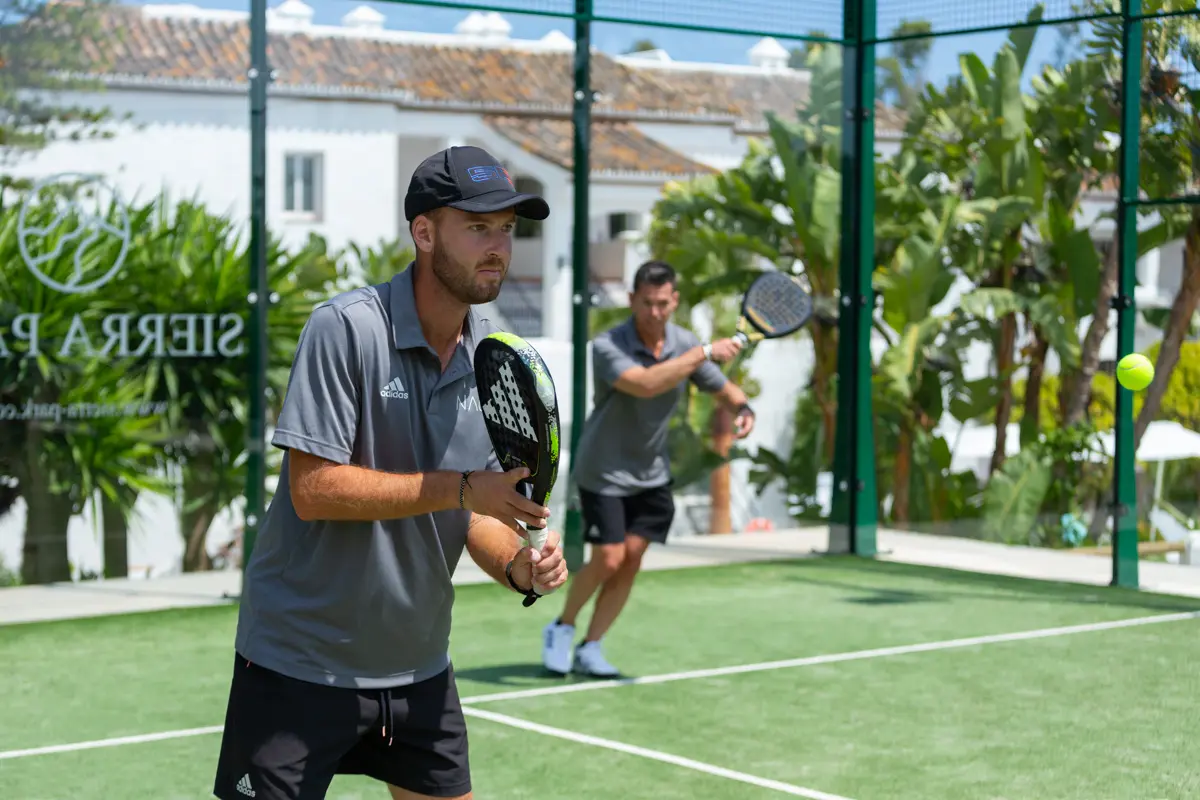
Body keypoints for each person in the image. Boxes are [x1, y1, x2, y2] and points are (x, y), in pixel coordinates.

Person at [213, 144, 569, 800]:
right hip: (299, 664)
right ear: (424, 233)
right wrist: (463, 488)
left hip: (418, 667)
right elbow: (313, 489)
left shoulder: (491, 357)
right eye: (478, 227)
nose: (498, 247)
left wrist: (517, 565)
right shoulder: (344, 329)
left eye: (507, 230)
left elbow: (476, 514)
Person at [541, 260, 756, 678]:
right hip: (604, 471)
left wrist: (741, 405)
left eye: (663, 303)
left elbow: (718, 384)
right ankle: (562, 628)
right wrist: (702, 352)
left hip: (652, 474)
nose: (655, 312)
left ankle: (592, 645)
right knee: (608, 556)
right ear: (632, 300)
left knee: (632, 559)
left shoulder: (684, 341)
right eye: (647, 303)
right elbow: (646, 384)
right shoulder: (608, 346)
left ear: (674, 300)